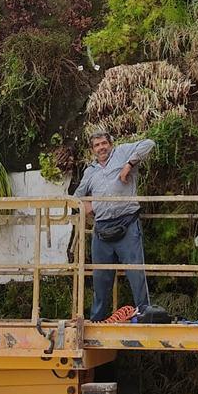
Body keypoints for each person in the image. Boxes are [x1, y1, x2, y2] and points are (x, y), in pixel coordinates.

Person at [73, 131, 155, 321]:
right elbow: (77, 195)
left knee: (135, 271)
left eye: (104, 143)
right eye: (97, 145)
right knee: (101, 276)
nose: (101, 147)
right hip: (101, 228)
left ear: (110, 144)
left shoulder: (122, 152)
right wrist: (86, 205)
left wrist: (128, 165)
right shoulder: (90, 171)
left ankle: (144, 312)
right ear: (92, 150)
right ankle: (97, 318)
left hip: (127, 223)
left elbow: (149, 143)